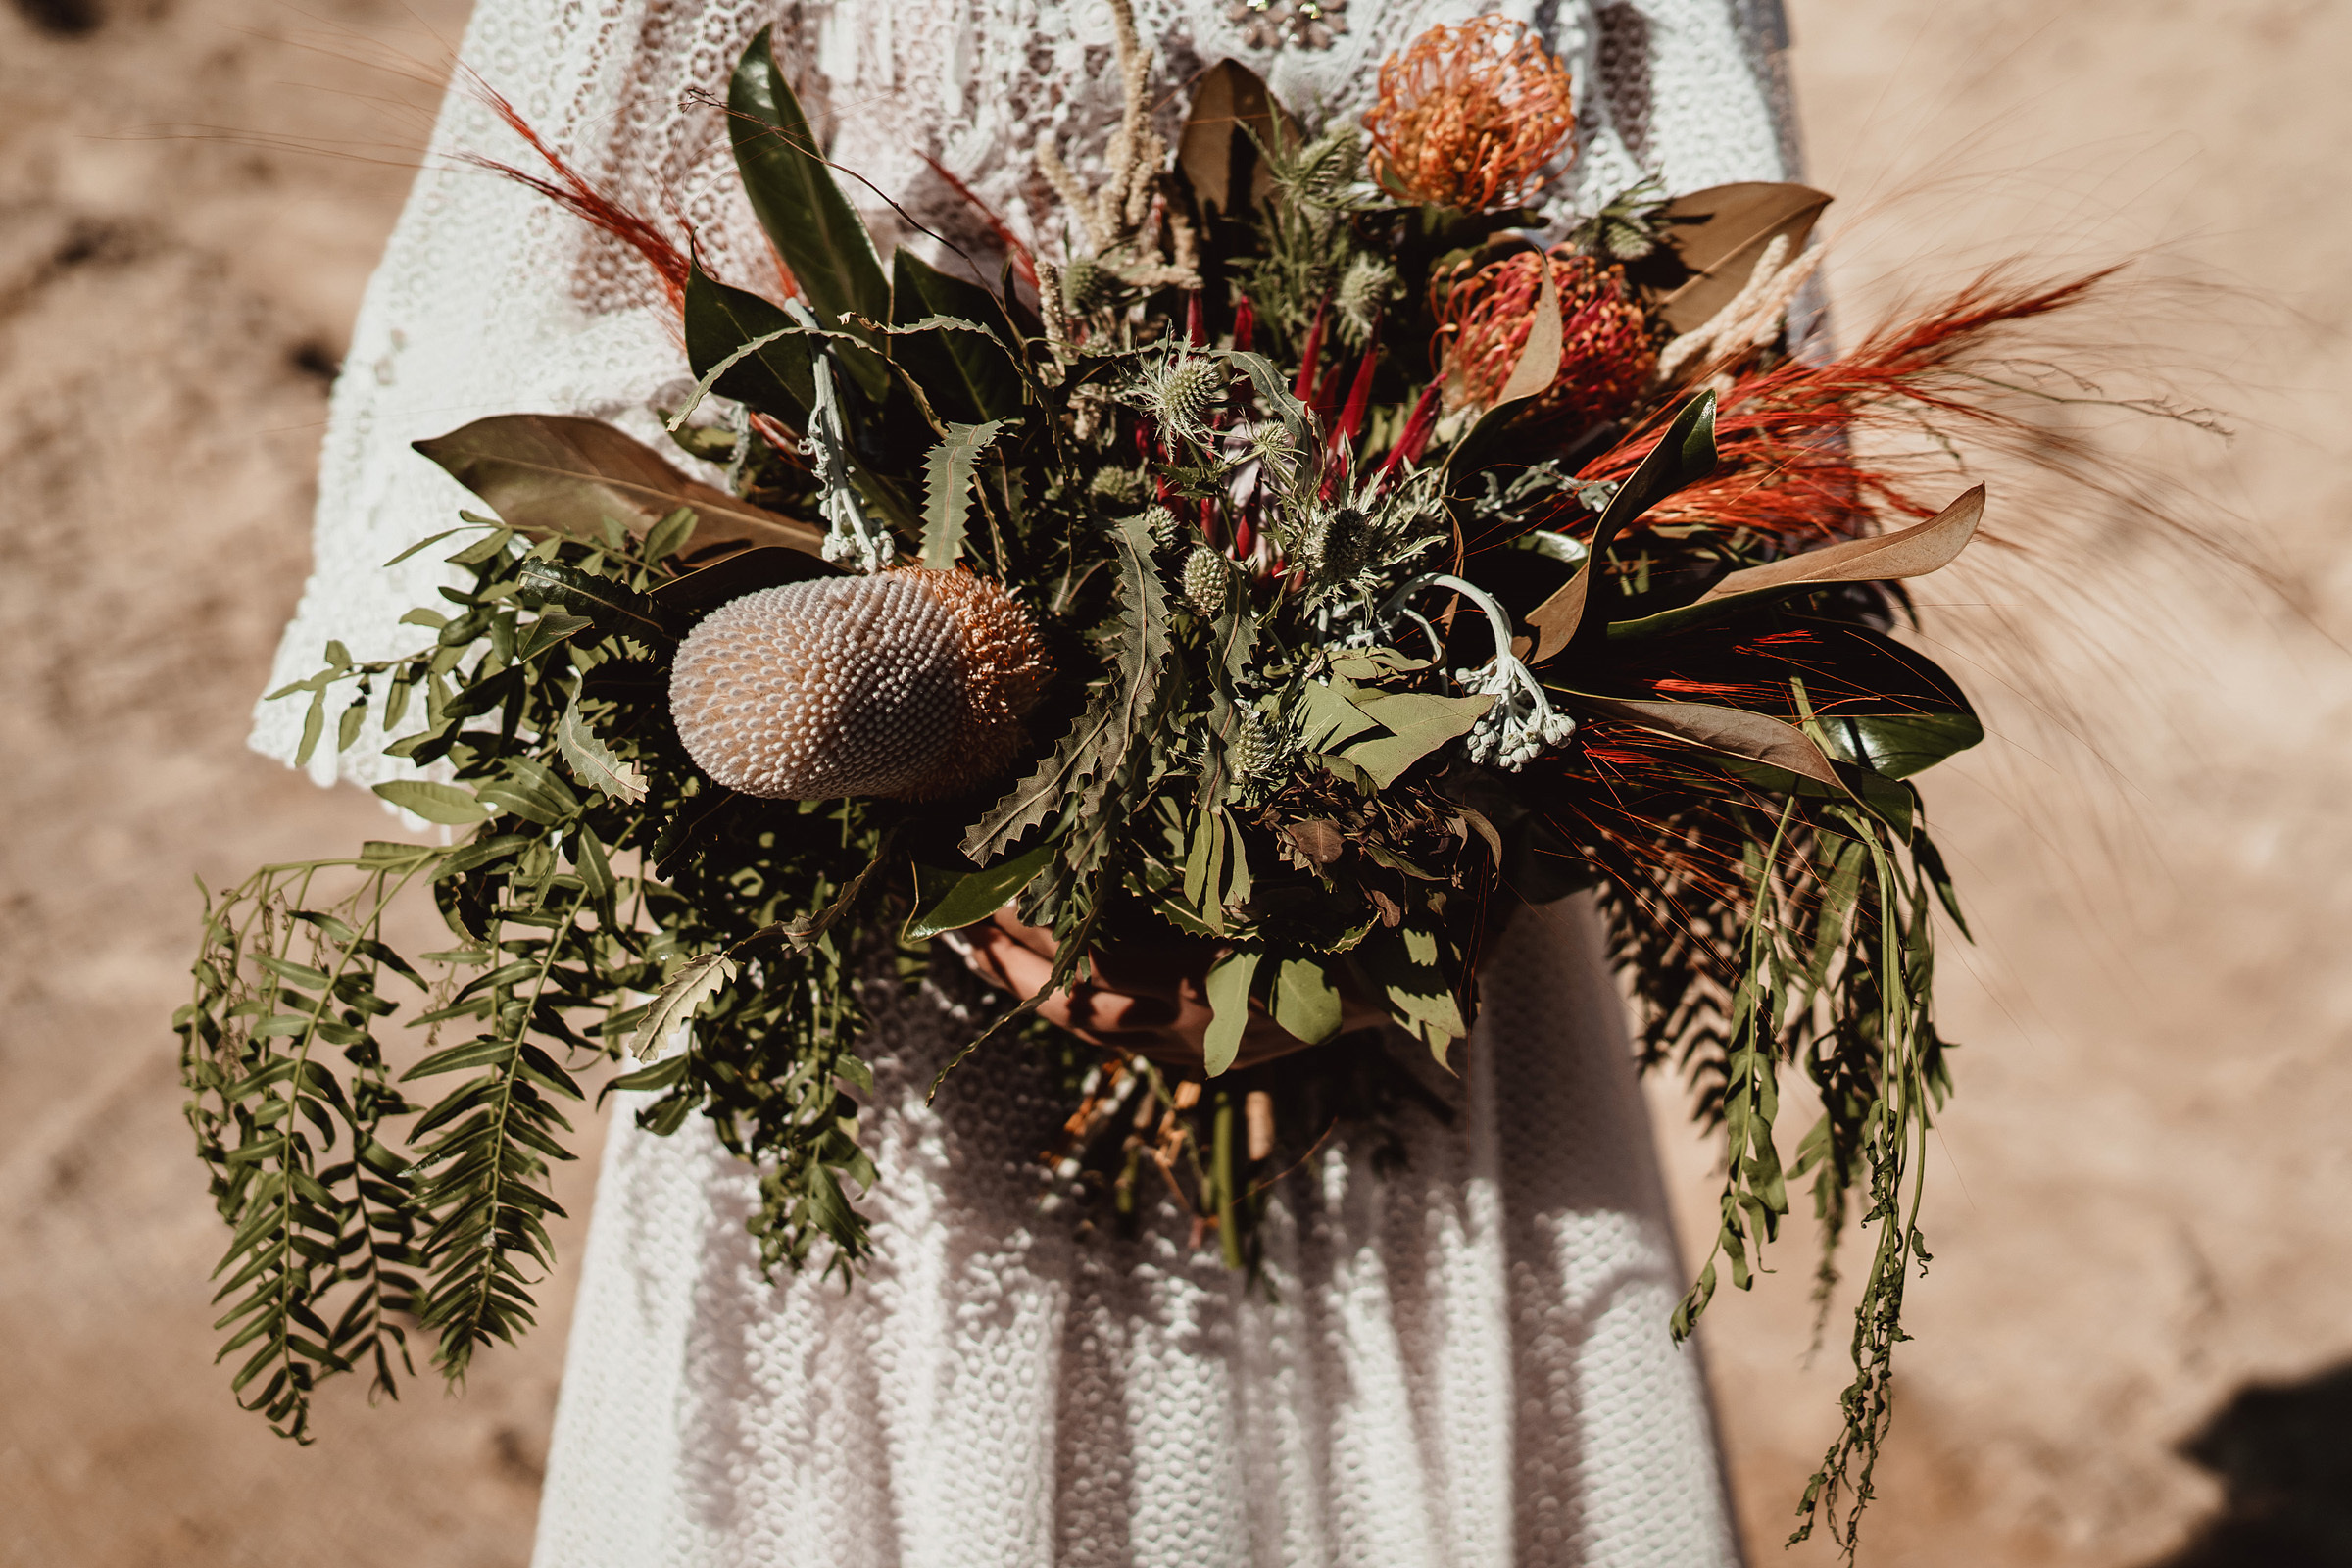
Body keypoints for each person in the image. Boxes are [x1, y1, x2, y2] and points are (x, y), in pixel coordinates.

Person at [255, 3, 1802, 1561]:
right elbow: (518, 402)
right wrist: (950, 763)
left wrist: (1423, 832)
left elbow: (1746, 421)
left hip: (1433, 945)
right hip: (910, 959)